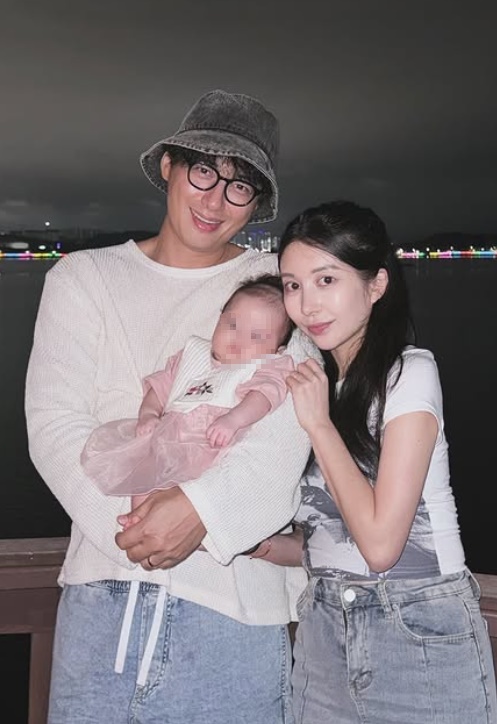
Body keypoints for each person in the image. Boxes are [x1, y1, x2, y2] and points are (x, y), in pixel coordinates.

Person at [25, 89, 317, 724]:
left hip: (234, 615)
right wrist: (137, 531)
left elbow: (293, 423)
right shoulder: (83, 279)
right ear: (169, 166)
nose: (215, 200)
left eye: (240, 186)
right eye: (203, 170)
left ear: (257, 203)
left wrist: (203, 512)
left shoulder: (282, 287)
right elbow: (54, 425)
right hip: (99, 610)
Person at [259, 199, 497, 723]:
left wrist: (319, 425)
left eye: (326, 280)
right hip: (324, 634)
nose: (307, 304)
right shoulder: (316, 386)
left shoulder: (408, 374)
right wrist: (264, 545)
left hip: (417, 632)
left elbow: (382, 545)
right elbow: (332, 538)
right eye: (293, 285)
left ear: (376, 285)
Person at [80, 274, 295, 506]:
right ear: (219, 320)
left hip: (210, 445)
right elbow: (160, 387)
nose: (239, 338)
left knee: (194, 497)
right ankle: (139, 519)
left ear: (277, 350)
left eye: (256, 336)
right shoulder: (192, 355)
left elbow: (263, 396)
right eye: (232, 325)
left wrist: (234, 420)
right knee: (144, 479)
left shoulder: (263, 368)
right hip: (167, 442)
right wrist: (149, 414)